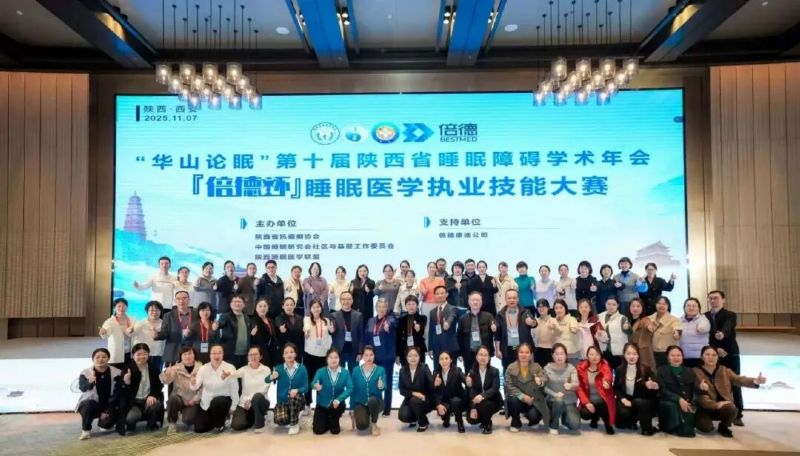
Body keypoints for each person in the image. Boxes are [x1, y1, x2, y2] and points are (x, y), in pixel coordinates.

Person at [693, 345, 766, 437]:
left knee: (732, 408)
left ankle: (724, 426)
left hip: (723, 406)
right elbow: (699, 397)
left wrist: (755, 381)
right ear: (702, 357)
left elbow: (738, 379)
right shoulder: (695, 372)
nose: (711, 357)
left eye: (714, 355)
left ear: (718, 357)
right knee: (706, 428)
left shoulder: (724, 370)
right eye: (707, 354)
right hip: (704, 408)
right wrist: (716, 404)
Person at [705, 290, 743, 426]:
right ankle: (717, 410)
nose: (713, 301)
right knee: (713, 382)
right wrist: (715, 349)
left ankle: (738, 413)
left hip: (729, 352)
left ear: (723, 300)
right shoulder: (704, 316)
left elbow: (728, 326)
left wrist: (722, 334)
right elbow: (705, 336)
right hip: (712, 353)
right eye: (710, 298)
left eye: (716, 298)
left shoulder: (730, 315)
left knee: (734, 381)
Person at [76, 348, 124, 440]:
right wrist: (89, 382)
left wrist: (107, 410)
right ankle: (86, 430)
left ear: (108, 359)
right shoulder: (85, 373)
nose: (101, 359)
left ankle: (105, 422)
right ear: (93, 359)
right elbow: (82, 388)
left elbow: (118, 392)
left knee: (105, 427)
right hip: (93, 404)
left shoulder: (117, 372)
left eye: (104, 357)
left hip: (109, 404)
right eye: (97, 357)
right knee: (87, 406)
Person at [190, 344, 238, 433]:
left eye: (219, 353)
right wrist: (193, 382)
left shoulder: (230, 367)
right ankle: (217, 419)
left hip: (223, 401)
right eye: (214, 353)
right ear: (210, 355)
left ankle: (220, 424)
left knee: (217, 402)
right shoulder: (203, 368)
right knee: (199, 428)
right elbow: (195, 386)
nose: (217, 355)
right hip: (206, 402)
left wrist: (233, 407)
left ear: (223, 355)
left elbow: (235, 389)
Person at [614, 342, 659, 435]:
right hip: (626, 399)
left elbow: (657, 384)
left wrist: (654, 385)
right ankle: (633, 419)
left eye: (634, 354)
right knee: (621, 424)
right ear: (624, 355)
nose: (631, 356)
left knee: (639, 403)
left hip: (641, 400)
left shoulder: (645, 369)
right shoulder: (619, 369)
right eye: (628, 353)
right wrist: (623, 399)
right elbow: (616, 388)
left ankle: (645, 425)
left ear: (638, 355)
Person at [656, 345, 701, 437]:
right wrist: (678, 399)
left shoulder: (690, 371)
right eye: (673, 355)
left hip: (686, 402)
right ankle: (670, 426)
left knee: (688, 432)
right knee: (672, 407)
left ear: (682, 357)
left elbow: (695, 389)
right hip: (668, 401)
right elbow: (662, 390)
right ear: (668, 357)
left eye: (678, 355)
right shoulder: (661, 370)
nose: (676, 358)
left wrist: (702, 388)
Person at [504, 343, 549, 433]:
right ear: (517, 354)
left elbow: (545, 379)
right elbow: (508, 385)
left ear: (531, 354)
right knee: (512, 400)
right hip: (518, 399)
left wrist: (540, 381)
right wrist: (522, 396)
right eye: (521, 352)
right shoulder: (511, 367)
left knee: (534, 416)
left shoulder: (537, 367)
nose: (524, 355)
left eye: (527, 352)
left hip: (533, 400)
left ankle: (533, 420)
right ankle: (516, 421)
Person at [120, 343, 164, 433]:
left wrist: (152, 395)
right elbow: (122, 391)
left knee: (155, 404)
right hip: (134, 402)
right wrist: (126, 382)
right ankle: (131, 424)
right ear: (133, 355)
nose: (142, 357)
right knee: (130, 418)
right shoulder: (128, 369)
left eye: (144, 354)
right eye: (138, 354)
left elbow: (158, 385)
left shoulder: (153, 368)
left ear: (148, 354)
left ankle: (151, 423)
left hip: (148, 400)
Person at [229, 346, 272, 433]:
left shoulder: (266, 370)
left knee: (257, 396)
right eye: (250, 355)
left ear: (260, 356)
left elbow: (265, 388)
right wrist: (227, 374)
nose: (253, 357)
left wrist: (250, 400)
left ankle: (260, 425)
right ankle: (254, 418)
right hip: (244, 404)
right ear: (248, 357)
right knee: (236, 425)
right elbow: (233, 374)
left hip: (260, 401)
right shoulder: (244, 369)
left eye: (255, 354)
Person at [311, 348, 353, 435]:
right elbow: (312, 383)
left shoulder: (345, 372)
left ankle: (333, 419)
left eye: (336, 357)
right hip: (322, 404)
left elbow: (350, 388)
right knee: (318, 430)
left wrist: (339, 399)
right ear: (327, 359)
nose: (333, 360)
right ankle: (327, 419)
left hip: (337, 404)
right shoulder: (321, 371)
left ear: (339, 359)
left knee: (335, 431)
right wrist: (316, 386)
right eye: (331, 357)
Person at [366, 298, 397, 415]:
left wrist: (388, 325)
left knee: (387, 383)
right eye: (379, 307)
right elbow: (367, 337)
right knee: (374, 382)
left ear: (387, 308)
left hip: (387, 357)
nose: (382, 309)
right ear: (376, 308)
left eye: (384, 307)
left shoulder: (390, 319)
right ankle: (376, 406)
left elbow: (393, 322)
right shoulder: (371, 321)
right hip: (374, 357)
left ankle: (387, 409)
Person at [160, 346, 202, 434]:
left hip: (193, 401)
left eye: (190, 353)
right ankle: (172, 423)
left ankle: (189, 415)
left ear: (194, 355)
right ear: (181, 356)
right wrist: (166, 373)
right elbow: (165, 381)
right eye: (185, 354)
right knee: (172, 399)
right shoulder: (175, 368)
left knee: (188, 420)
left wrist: (195, 400)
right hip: (180, 399)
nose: (187, 356)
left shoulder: (201, 368)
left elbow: (203, 388)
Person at [576, 346, 616, 434]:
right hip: (589, 400)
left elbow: (608, 375)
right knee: (584, 413)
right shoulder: (581, 368)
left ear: (600, 356)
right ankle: (595, 417)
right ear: (587, 356)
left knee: (603, 406)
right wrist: (586, 402)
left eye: (597, 354)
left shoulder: (605, 366)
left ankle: (607, 424)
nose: (594, 357)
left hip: (603, 400)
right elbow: (579, 388)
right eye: (591, 354)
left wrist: (607, 383)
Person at [270, 343, 308, 435]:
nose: (289, 354)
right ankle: (294, 416)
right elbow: (266, 380)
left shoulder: (302, 368)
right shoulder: (279, 368)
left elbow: (306, 387)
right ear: (283, 355)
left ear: (295, 354)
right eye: (286, 353)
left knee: (293, 398)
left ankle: (294, 425)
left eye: (291, 352)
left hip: (297, 400)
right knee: (280, 420)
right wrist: (272, 376)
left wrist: (297, 390)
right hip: (283, 401)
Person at [303, 298, 335, 407]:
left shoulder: (326, 320)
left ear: (321, 308)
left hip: (323, 354)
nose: (316, 309)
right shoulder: (307, 319)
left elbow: (331, 333)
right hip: (310, 354)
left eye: (318, 307)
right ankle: (307, 404)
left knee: (321, 380)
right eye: (313, 307)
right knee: (308, 379)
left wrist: (332, 330)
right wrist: (306, 333)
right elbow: (306, 330)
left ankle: (320, 404)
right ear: (310, 309)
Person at [494, 289, 537, 370]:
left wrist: (532, 323)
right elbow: (497, 334)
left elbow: (535, 323)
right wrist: (497, 350)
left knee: (525, 371)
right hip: (507, 349)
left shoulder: (525, 312)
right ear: (505, 299)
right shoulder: (500, 314)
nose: (512, 300)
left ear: (518, 299)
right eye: (509, 298)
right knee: (508, 370)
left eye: (514, 298)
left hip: (523, 348)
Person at [544, 343, 580, 434]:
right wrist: (555, 394)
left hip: (568, 401)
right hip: (552, 401)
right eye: (556, 354)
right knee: (558, 401)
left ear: (566, 355)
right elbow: (544, 387)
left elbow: (576, 384)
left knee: (575, 425)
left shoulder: (571, 368)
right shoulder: (547, 368)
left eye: (562, 353)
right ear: (552, 355)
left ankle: (564, 418)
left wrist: (571, 386)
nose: (559, 356)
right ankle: (554, 424)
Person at [350, 346, 387, 435]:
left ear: (374, 356)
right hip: (361, 402)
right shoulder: (356, 370)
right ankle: (367, 416)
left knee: (372, 401)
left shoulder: (380, 370)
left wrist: (381, 385)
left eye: (371, 355)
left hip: (376, 402)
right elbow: (353, 391)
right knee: (361, 426)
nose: (369, 357)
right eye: (366, 355)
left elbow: (384, 387)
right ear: (362, 356)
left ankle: (374, 423)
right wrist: (351, 408)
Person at [465, 346, 502, 434]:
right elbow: (471, 391)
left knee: (484, 404)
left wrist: (482, 396)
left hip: (493, 400)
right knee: (471, 419)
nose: (483, 357)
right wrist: (473, 408)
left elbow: (495, 388)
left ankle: (487, 423)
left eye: (486, 355)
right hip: (477, 401)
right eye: (481, 355)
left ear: (489, 358)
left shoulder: (494, 371)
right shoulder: (471, 372)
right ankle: (484, 419)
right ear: (476, 357)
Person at [397, 346, 435, 431]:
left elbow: (431, 385)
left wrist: (434, 384)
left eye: (415, 355)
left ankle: (423, 423)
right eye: (410, 356)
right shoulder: (402, 370)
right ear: (406, 357)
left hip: (425, 398)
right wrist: (414, 393)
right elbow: (402, 390)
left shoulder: (424, 368)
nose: (413, 358)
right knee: (403, 416)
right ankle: (415, 417)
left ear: (419, 356)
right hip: (410, 398)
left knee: (415, 401)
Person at [154, 290, 196, 367]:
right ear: (175, 301)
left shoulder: (197, 313)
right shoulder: (168, 315)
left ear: (189, 300)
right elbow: (164, 333)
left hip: (192, 352)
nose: (181, 301)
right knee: (171, 374)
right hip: (173, 353)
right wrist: (157, 335)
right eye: (178, 298)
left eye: (184, 298)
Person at [458, 291, 496, 373]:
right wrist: (460, 353)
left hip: (484, 353)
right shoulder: (463, 318)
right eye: (473, 300)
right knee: (469, 375)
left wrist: (495, 328)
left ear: (481, 302)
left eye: (478, 300)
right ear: (469, 302)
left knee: (486, 375)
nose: (475, 302)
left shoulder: (488, 316)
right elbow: (459, 337)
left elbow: (495, 331)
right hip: (468, 353)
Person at [432, 351, 467, 433]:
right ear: (438, 361)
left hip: (457, 399)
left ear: (451, 360)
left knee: (455, 401)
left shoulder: (457, 370)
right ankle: (446, 418)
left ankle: (459, 422)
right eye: (441, 359)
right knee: (442, 407)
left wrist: (468, 381)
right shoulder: (436, 373)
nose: (444, 361)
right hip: (444, 401)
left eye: (446, 358)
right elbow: (433, 392)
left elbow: (466, 381)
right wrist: (434, 384)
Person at [331, 290, 364, 373]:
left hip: (354, 351)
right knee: (338, 376)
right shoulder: (334, 315)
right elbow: (332, 333)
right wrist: (331, 331)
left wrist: (360, 352)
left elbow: (361, 335)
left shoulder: (358, 315)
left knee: (354, 376)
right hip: (339, 351)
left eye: (349, 299)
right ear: (340, 301)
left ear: (352, 301)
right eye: (343, 299)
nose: (346, 301)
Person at [428, 285, 459, 371]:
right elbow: (431, 331)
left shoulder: (453, 309)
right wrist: (430, 347)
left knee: (452, 373)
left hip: (450, 346)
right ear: (435, 295)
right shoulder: (432, 312)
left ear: (446, 294)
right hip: (436, 348)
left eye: (442, 293)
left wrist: (448, 323)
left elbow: (452, 317)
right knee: (437, 371)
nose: (440, 295)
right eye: (437, 294)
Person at [100, 298, 135, 368]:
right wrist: (103, 332)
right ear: (114, 308)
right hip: (117, 351)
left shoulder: (132, 319)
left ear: (127, 307)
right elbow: (105, 335)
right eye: (119, 306)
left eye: (124, 306)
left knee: (129, 370)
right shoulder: (110, 321)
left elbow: (136, 332)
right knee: (116, 370)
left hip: (130, 350)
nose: (121, 308)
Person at [597, 297, 631, 370]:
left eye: (613, 304)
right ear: (605, 304)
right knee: (605, 372)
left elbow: (629, 332)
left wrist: (627, 328)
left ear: (618, 305)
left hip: (618, 352)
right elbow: (596, 332)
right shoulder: (599, 316)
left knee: (619, 373)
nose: (611, 306)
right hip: (604, 350)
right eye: (609, 304)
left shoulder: (622, 318)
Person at [218, 296, 251, 368]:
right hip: (230, 354)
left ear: (244, 304)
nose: (237, 303)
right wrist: (216, 325)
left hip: (245, 355)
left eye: (239, 302)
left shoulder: (247, 317)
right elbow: (220, 324)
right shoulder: (225, 316)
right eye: (234, 301)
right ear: (230, 304)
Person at [133, 301, 165, 371]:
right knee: (141, 374)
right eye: (152, 310)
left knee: (156, 374)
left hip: (158, 354)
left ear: (160, 311)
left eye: (157, 310)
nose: (154, 312)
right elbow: (133, 336)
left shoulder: (164, 323)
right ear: (147, 311)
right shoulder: (140, 323)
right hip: (143, 355)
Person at [650, 296, 682, 368]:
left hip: (668, 354)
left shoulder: (674, 319)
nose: (661, 306)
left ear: (668, 306)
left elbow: (677, 328)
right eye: (659, 303)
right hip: (652, 354)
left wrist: (676, 333)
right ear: (655, 305)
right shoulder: (649, 318)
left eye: (664, 304)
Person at [396, 295, 427, 366]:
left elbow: (421, 325)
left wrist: (418, 327)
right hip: (405, 350)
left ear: (417, 306)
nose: (411, 306)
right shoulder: (401, 320)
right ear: (405, 306)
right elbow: (398, 338)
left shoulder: (422, 318)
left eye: (413, 304)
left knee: (420, 370)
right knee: (405, 371)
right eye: (408, 304)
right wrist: (398, 355)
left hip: (418, 350)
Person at [680, 298, 711, 367]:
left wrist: (701, 328)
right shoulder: (680, 320)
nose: (691, 308)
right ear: (684, 308)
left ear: (699, 308)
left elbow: (704, 327)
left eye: (694, 306)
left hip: (699, 357)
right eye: (688, 306)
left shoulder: (703, 319)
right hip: (683, 357)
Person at [629, 298, 656, 370]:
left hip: (643, 354)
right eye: (633, 306)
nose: (635, 308)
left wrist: (650, 327)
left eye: (638, 306)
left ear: (642, 308)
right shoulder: (626, 321)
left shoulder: (645, 319)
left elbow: (649, 325)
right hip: (631, 354)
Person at [250, 299, 278, 368]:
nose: (262, 308)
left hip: (271, 351)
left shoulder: (270, 321)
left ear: (268, 308)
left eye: (265, 306)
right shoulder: (253, 320)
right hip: (260, 353)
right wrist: (252, 333)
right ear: (256, 308)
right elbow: (252, 330)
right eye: (260, 306)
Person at [275, 297, 305, 362]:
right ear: (283, 306)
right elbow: (278, 323)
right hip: (285, 351)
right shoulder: (279, 318)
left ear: (294, 306)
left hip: (297, 351)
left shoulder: (300, 318)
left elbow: (302, 335)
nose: (289, 307)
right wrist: (281, 327)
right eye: (287, 305)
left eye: (291, 305)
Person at [551, 299, 579, 364]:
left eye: (561, 307)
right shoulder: (553, 321)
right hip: (558, 356)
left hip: (571, 354)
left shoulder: (572, 319)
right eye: (556, 308)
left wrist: (574, 328)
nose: (558, 310)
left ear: (565, 308)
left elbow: (574, 330)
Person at [533, 299, 555, 365]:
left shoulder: (553, 320)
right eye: (539, 307)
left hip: (550, 350)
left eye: (543, 306)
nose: (541, 308)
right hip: (537, 350)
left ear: (548, 308)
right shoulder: (535, 321)